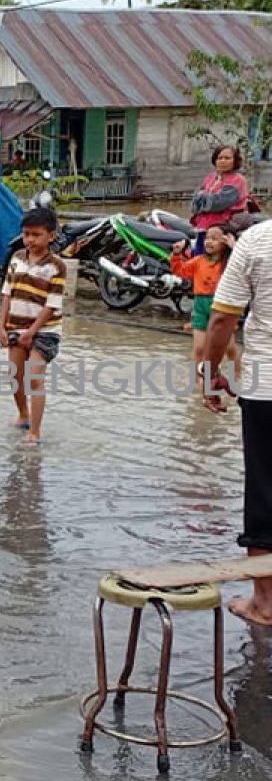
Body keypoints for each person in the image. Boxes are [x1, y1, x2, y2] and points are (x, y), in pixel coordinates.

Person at [203, 220, 272, 624]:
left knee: (265, 493)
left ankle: (264, 602)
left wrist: (210, 374)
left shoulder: (258, 239)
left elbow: (222, 320)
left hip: (267, 387)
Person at [0, 207, 66, 446]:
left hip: (45, 330)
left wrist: (32, 332)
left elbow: (52, 305)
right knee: (15, 376)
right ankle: (23, 414)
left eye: (36, 235)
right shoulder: (17, 258)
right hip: (16, 325)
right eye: (26, 234)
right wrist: (2, 326)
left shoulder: (56, 266)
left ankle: (35, 432)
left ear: (51, 235)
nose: (30, 240)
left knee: (35, 378)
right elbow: (7, 293)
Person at [172, 226, 240, 380]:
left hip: (222, 305)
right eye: (208, 238)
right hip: (200, 305)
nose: (209, 242)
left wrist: (234, 247)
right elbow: (180, 271)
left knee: (229, 348)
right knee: (199, 348)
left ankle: (236, 378)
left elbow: (243, 265)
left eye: (215, 238)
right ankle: (195, 384)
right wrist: (176, 255)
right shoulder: (198, 261)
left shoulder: (230, 262)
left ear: (225, 242)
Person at [191, 146, 248, 253]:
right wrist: (203, 199)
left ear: (235, 161)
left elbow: (217, 203)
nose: (223, 161)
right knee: (198, 260)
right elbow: (194, 204)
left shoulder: (237, 180)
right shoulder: (211, 178)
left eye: (227, 158)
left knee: (214, 263)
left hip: (222, 230)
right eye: (220, 158)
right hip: (204, 227)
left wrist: (202, 198)